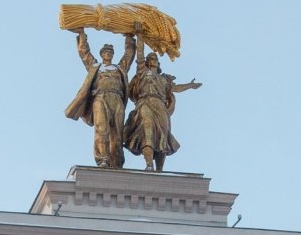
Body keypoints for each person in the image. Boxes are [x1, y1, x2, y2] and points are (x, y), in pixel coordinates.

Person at [64, 28, 137, 167]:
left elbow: (129, 55)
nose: (108, 54)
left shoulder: (119, 68)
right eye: (106, 52)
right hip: (100, 98)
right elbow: (84, 53)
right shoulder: (96, 66)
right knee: (101, 129)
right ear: (102, 54)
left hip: (116, 99)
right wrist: (81, 34)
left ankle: (116, 161)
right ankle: (102, 159)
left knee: (117, 131)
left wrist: (129, 37)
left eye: (110, 52)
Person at [124, 46, 201, 171]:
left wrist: (190, 85)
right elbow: (139, 56)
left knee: (162, 136)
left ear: (158, 63)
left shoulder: (163, 79)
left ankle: (159, 170)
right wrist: (139, 35)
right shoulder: (142, 73)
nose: (152, 59)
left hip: (160, 106)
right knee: (147, 132)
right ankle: (149, 164)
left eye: (154, 58)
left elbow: (176, 88)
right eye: (150, 58)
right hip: (145, 103)